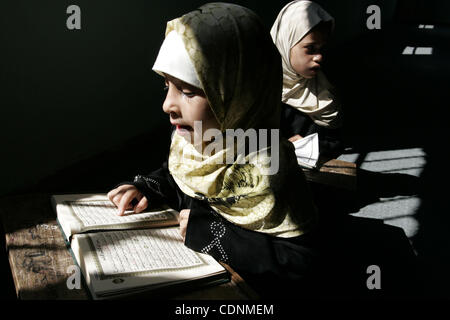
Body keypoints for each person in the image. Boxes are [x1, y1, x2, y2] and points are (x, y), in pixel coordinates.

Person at [106, 2, 322, 298]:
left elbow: (301, 262)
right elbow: (176, 177)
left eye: (189, 91)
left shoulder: (270, 170)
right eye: (167, 85)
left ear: (239, 94)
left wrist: (216, 235)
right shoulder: (194, 144)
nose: (167, 105)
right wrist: (146, 187)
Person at [271, 0, 344, 158]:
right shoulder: (261, 87)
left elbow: (335, 142)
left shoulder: (324, 91)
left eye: (321, 49)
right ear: (286, 42)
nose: (319, 57)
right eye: (310, 49)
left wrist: (310, 146)